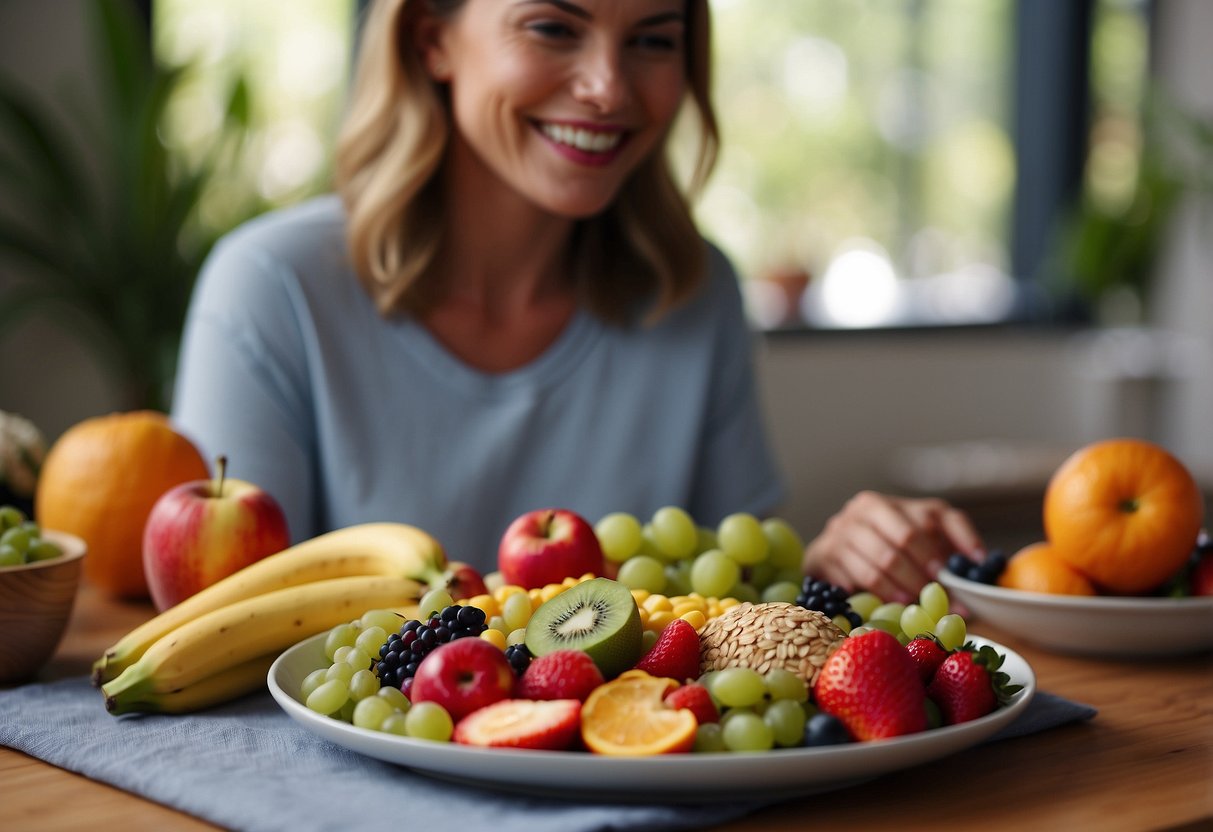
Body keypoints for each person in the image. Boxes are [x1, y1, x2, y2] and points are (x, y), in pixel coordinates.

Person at [171, 0, 983, 605]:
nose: (606, 88)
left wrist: (829, 566)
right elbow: (228, 628)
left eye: (653, 41)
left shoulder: (693, 295)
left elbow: (727, 608)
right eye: (553, 27)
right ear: (431, 38)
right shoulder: (272, 290)